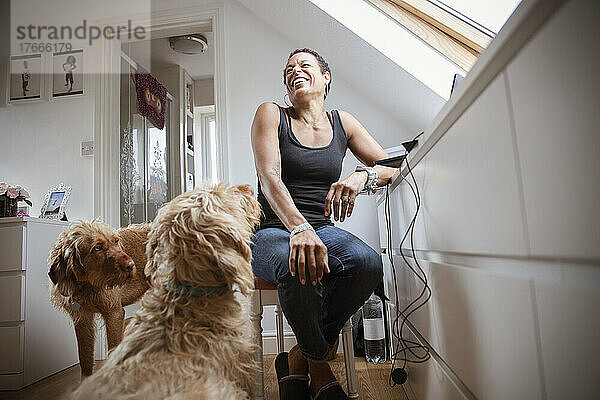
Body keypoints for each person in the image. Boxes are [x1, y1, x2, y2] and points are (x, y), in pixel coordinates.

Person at [250, 48, 397, 400]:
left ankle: (300, 356)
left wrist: (363, 175)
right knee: (295, 262)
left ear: (326, 77)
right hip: (272, 229)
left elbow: (391, 165)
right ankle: (320, 368)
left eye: (304, 65)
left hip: (322, 228)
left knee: (367, 263)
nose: (294, 71)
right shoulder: (271, 113)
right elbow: (269, 176)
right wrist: (298, 228)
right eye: (288, 69)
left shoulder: (342, 122)